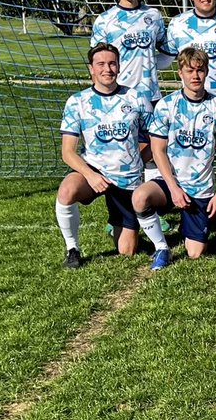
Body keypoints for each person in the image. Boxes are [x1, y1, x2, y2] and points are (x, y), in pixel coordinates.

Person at [135, 47, 216, 269]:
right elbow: (157, 150)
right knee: (140, 197)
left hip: (200, 188)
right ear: (180, 72)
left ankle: (192, 226)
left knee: (196, 253)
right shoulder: (166, 106)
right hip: (171, 183)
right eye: (190, 70)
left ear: (207, 72)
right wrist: (173, 188)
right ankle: (162, 248)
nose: (195, 76)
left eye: (200, 70)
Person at [55, 43, 154, 268]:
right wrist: (90, 175)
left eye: (112, 63)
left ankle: (120, 225)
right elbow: (67, 152)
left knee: (127, 252)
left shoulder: (137, 98)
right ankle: (73, 250)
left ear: (119, 67)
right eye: (100, 64)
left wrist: (140, 159)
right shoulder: (77, 101)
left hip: (127, 177)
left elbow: (157, 139)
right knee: (67, 190)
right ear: (91, 68)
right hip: (94, 170)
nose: (107, 69)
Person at [90, 0, 170, 106]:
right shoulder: (105, 20)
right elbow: (96, 62)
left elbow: (168, 51)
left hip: (150, 94)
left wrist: (150, 62)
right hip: (119, 94)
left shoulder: (153, 15)